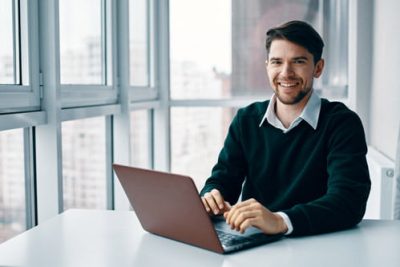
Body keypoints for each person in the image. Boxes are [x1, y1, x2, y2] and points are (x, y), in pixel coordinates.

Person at [200, 20, 371, 236]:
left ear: (318, 68)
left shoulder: (342, 123)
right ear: (267, 66)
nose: (286, 72)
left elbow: (348, 202)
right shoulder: (246, 120)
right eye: (277, 62)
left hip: (319, 244)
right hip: (255, 244)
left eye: (298, 61)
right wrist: (211, 196)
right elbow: (223, 180)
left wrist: (280, 221)